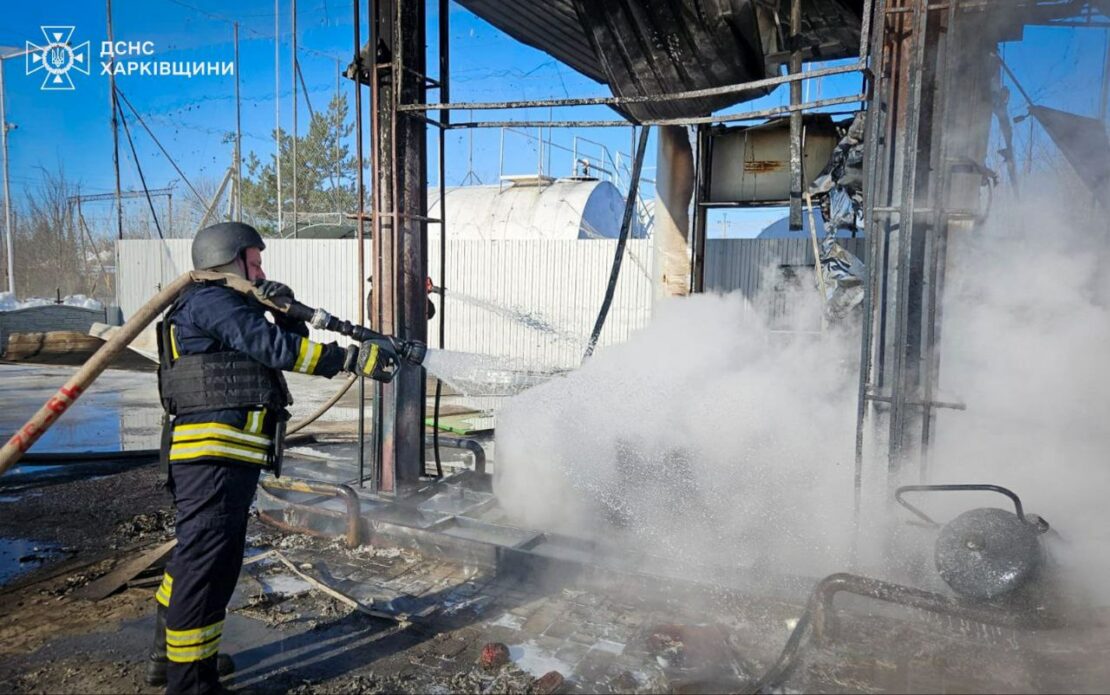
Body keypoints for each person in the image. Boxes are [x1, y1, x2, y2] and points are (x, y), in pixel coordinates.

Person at [147, 222, 366, 694]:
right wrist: (347, 360)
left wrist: (287, 313)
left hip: (219, 459)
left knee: (195, 560)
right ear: (230, 262)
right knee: (208, 569)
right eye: (256, 260)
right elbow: (270, 348)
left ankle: (170, 659)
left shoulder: (216, 304)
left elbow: (269, 341)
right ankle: (190, 683)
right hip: (215, 458)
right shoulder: (212, 301)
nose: (262, 269)